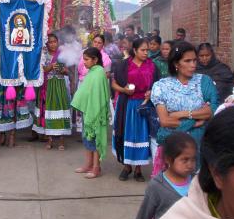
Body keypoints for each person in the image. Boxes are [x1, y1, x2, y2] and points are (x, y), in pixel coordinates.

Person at [150, 42, 217, 174]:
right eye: (187, 61)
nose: (193, 65)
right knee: (173, 190)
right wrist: (195, 121)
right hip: (173, 148)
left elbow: (211, 111)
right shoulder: (161, 86)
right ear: (176, 63)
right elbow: (165, 121)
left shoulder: (204, 81)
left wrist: (181, 114)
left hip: (200, 146)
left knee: (198, 189)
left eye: (194, 60)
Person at [130, 132, 196, 219]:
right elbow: (144, 214)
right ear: (168, 159)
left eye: (193, 159)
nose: (190, 164)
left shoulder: (196, 182)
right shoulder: (157, 186)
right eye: (185, 160)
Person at [112, 38, 159, 181]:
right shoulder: (123, 65)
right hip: (127, 104)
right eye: (143, 50)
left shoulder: (152, 66)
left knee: (141, 135)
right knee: (127, 134)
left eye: (147, 50)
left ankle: (138, 169)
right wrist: (123, 90)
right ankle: (127, 166)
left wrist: (151, 92)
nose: (146, 53)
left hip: (144, 105)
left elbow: (158, 85)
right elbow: (113, 83)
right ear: (135, 50)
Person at [71, 47, 110, 179]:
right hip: (89, 110)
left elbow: (97, 95)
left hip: (95, 112)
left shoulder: (99, 73)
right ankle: (88, 165)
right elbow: (86, 91)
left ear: (95, 59)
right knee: (87, 139)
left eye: (87, 60)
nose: (84, 62)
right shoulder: (92, 72)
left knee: (95, 140)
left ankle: (96, 168)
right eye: (84, 59)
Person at [33, 33, 72, 150]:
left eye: (55, 41)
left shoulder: (62, 55)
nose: (53, 44)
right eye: (50, 42)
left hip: (59, 86)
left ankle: (61, 140)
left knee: (60, 110)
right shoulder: (43, 55)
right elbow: (41, 70)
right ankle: (49, 139)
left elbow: (67, 71)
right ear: (47, 44)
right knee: (48, 111)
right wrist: (51, 66)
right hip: (47, 86)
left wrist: (62, 69)